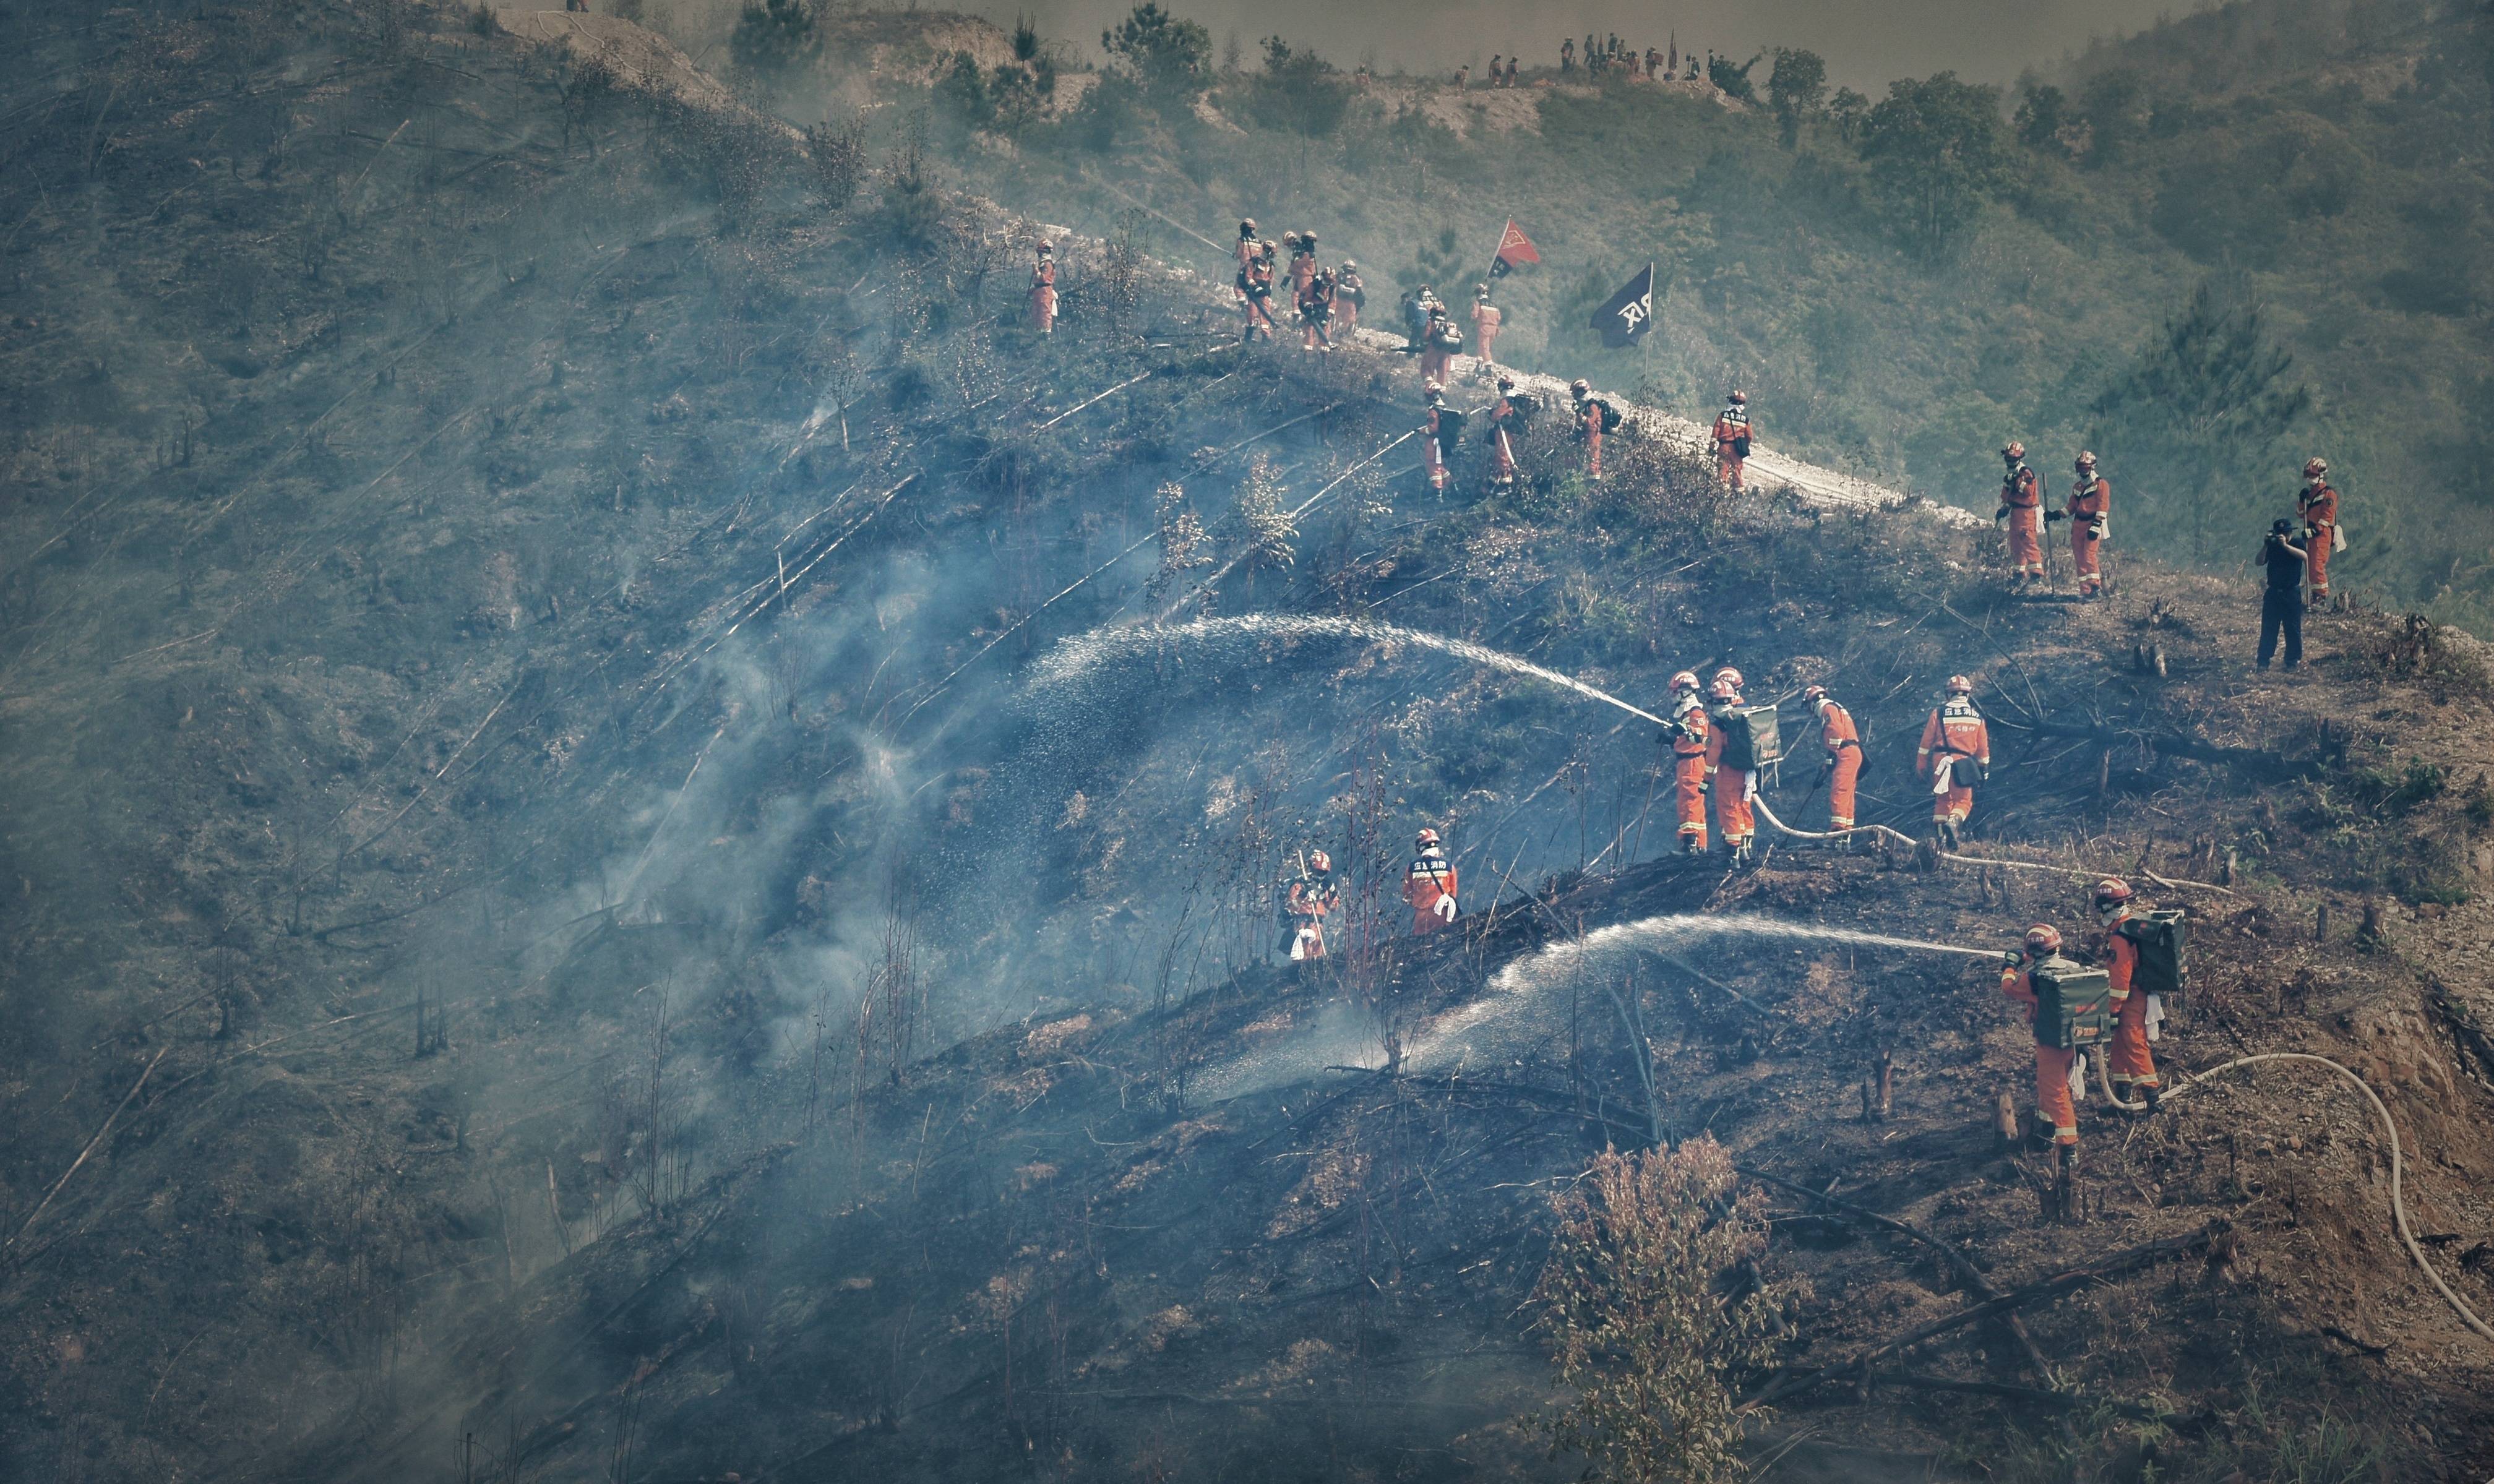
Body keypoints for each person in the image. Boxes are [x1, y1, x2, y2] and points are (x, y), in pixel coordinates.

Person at [2001, 924, 2082, 1160]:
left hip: (2052, 1042)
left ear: (2034, 952)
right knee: (2049, 1085)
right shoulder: (2073, 969)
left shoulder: (2035, 979)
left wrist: (2010, 965)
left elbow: (2008, 988)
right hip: (2074, 1040)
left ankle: (2068, 1149)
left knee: (2055, 1092)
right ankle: (2048, 1130)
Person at [2091, 878, 2160, 1110]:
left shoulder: (2120, 937)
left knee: (2134, 1041)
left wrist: (2113, 1010)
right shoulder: (2129, 926)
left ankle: (2153, 1102)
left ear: (2108, 906)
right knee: (2120, 1044)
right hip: (2133, 995)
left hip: (2130, 998)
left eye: (2101, 906)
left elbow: (2121, 980)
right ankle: (2122, 1098)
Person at [1916, 675, 1990, 849]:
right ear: (1968, 695)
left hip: (1940, 761)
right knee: (1963, 801)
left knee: (1943, 799)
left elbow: (1926, 744)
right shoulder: (1977, 717)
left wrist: (1921, 765)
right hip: (1963, 762)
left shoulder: (1939, 713)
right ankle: (1954, 824)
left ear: (1948, 695)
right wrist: (1983, 771)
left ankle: (1942, 841)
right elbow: (1983, 751)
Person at [1704, 674, 1756, 863]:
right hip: (1747, 770)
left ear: (1713, 702)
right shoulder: (1741, 716)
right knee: (1743, 807)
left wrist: (1705, 780)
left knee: (1729, 808)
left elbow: (1714, 753)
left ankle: (1732, 854)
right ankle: (1745, 850)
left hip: (1729, 771)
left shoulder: (1719, 724)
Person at [1659, 671, 1711, 854]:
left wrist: (1683, 731)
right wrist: (1671, 739)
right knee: (1692, 803)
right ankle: (1700, 845)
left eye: (1675, 692)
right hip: (1687, 763)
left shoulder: (1696, 714)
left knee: (1689, 802)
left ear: (1685, 692)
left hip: (1693, 764)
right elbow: (1686, 741)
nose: (1672, 696)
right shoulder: (1687, 715)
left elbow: (1699, 738)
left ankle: (1690, 844)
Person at [1802, 684, 1862, 838]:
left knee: (1839, 792)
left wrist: (1833, 753)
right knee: (1847, 794)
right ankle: (1845, 834)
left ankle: (1837, 832)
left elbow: (1836, 732)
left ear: (1813, 701)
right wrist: (1827, 764)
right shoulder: (1835, 707)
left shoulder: (1827, 708)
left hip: (1845, 753)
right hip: (1850, 752)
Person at [2258, 518, 2308, 670]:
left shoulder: (2297, 543)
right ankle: (2263, 661)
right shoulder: (2272, 546)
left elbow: (2305, 557)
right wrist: (2266, 545)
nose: (2282, 536)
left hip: (2291, 592)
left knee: (2292, 628)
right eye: (2279, 534)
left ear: (2289, 533)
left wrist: (2285, 546)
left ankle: (2292, 661)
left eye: (2285, 533)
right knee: (2269, 628)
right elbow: (2259, 562)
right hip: (2274, 591)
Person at [2060, 451, 2109, 599]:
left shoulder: (2101, 484)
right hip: (2078, 525)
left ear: (2092, 467)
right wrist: (2056, 515)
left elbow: (2103, 506)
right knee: (2079, 557)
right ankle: (2085, 590)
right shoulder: (2078, 486)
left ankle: (2095, 587)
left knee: (2089, 555)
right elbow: (2071, 507)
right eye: (2080, 467)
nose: (2083, 470)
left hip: (2092, 523)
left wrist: (2096, 525)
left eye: (2085, 467)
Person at [1994, 442, 2044, 585]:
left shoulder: (2025, 473)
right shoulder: (2010, 475)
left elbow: (2029, 492)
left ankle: (2036, 575)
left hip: (2027, 513)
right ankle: (2019, 574)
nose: (2010, 462)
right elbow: (2008, 496)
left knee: (2028, 541)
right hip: (2015, 513)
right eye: (2008, 459)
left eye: (2013, 459)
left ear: (2020, 458)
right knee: (2016, 544)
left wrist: (2018, 481)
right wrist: (2004, 509)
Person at [1283, 850, 1340, 963]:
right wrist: (1303, 897)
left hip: (1318, 925)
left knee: (1317, 955)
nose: (1320, 875)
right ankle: (1299, 973)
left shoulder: (1324, 887)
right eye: (1318, 872)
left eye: (1323, 873)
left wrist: (1333, 893)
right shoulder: (1301, 884)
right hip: (1303, 923)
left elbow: (1333, 907)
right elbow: (1290, 903)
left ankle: (1315, 974)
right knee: (1304, 954)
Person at [1403, 828, 1460, 933]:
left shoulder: (1411, 868)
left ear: (1420, 848)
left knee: (1420, 946)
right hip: (1443, 915)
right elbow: (1453, 895)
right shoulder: (1449, 867)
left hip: (1421, 917)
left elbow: (1407, 895)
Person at [2298, 457, 2338, 607]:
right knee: (2310, 567)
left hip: (2322, 536)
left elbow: (2327, 517)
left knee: (2317, 566)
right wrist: (2301, 500)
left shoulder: (2329, 494)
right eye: (2309, 476)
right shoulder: (2308, 494)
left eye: (2313, 476)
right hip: (2310, 534)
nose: (2310, 479)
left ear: (2321, 475)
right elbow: (2300, 513)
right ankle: (2315, 598)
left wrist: (2314, 531)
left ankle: (2321, 599)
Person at [1485, 371, 1525, 489]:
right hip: (1509, 432)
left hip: (1504, 432)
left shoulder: (1506, 400)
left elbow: (1498, 415)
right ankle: (1493, 485)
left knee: (1503, 457)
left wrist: (1492, 413)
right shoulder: (1514, 399)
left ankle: (1506, 486)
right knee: (1500, 457)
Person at [1422, 381, 1458, 492]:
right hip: (1441, 441)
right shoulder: (1443, 408)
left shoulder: (1433, 411)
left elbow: (1432, 429)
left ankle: (1437, 493)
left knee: (1432, 465)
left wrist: (1422, 431)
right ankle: (1452, 484)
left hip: (1434, 442)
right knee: (1440, 465)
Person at [1711, 390, 1751, 491]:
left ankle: (1722, 491)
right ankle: (1739, 494)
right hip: (1737, 450)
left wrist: (1711, 448)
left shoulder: (1722, 416)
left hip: (1723, 447)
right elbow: (1749, 436)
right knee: (1737, 472)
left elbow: (1715, 432)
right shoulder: (1745, 420)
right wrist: (1743, 445)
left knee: (1723, 471)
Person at [1571, 378, 1608, 482]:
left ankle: (1594, 480)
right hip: (1586, 436)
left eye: (1575, 393)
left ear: (1581, 392)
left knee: (1593, 459)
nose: (1574, 395)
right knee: (1582, 457)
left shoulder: (1593, 406)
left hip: (1593, 436)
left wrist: (1578, 412)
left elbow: (1588, 422)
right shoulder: (1585, 406)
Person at [1241, 241, 1277, 341]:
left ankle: (1266, 337)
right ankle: (1248, 337)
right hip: (1254, 294)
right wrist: (1255, 286)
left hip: (1264, 295)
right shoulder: (1254, 262)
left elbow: (1271, 280)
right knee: (1251, 314)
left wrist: (1269, 290)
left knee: (1266, 315)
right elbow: (1248, 277)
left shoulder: (1271, 266)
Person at [1421, 307, 1463, 384]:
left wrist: (1424, 344)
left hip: (1434, 348)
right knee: (1442, 373)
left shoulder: (1431, 322)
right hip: (1446, 351)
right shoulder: (1447, 324)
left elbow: (1426, 336)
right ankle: (1441, 391)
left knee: (1426, 370)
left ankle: (1430, 388)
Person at [1298, 267, 1336, 351]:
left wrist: (1328, 317)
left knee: (1325, 332)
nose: (1328, 284)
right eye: (1327, 281)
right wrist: (1309, 309)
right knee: (1309, 332)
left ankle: (1324, 355)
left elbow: (1332, 303)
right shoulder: (1314, 285)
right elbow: (1306, 299)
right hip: (1313, 312)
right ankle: (1307, 354)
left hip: (1324, 312)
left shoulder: (1332, 288)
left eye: (1330, 282)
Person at [1469, 285, 1502, 372]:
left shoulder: (1478, 303)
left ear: (1478, 294)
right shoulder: (1494, 305)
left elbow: (1474, 316)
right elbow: (1499, 318)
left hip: (1484, 328)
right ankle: (1479, 364)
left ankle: (1488, 368)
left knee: (1484, 348)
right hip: (1494, 329)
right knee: (1484, 347)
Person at [1028, 241, 1057, 336]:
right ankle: (1038, 332)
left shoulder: (1048, 264)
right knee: (1037, 311)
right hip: (1038, 291)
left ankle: (1046, 334)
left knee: (1045, 311)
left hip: (1045, 291)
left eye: (1041, 251)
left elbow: (1043, 278)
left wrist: (1035, 270)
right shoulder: (1041, 263)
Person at [1335, 260, 1365, 332]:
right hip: (1351, 303)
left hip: (1339, 301)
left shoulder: (1340, 276)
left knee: (1336, 318)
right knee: (1349, 320)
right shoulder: (1358, 278)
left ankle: (1335, 332)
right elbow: (1360, 293)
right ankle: (1345, 334)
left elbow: (1334, 286)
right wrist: (1359, 305)